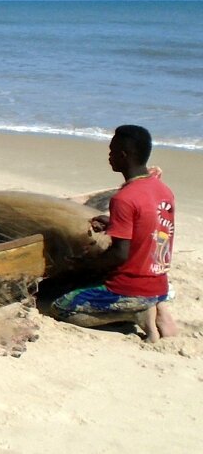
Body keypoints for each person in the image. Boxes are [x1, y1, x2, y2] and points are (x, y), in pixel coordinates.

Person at [51, 125, 178, 342]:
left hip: (129, 287)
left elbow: (119, 254)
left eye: (111, 151)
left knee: (59, 307)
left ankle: (134, 312)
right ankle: (157, 304)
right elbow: (148, 225)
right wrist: (114, 222)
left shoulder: (123, 198)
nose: (109, 156)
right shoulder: (163, 190)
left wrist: (83, 265)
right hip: (159, 284)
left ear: (123, 155)